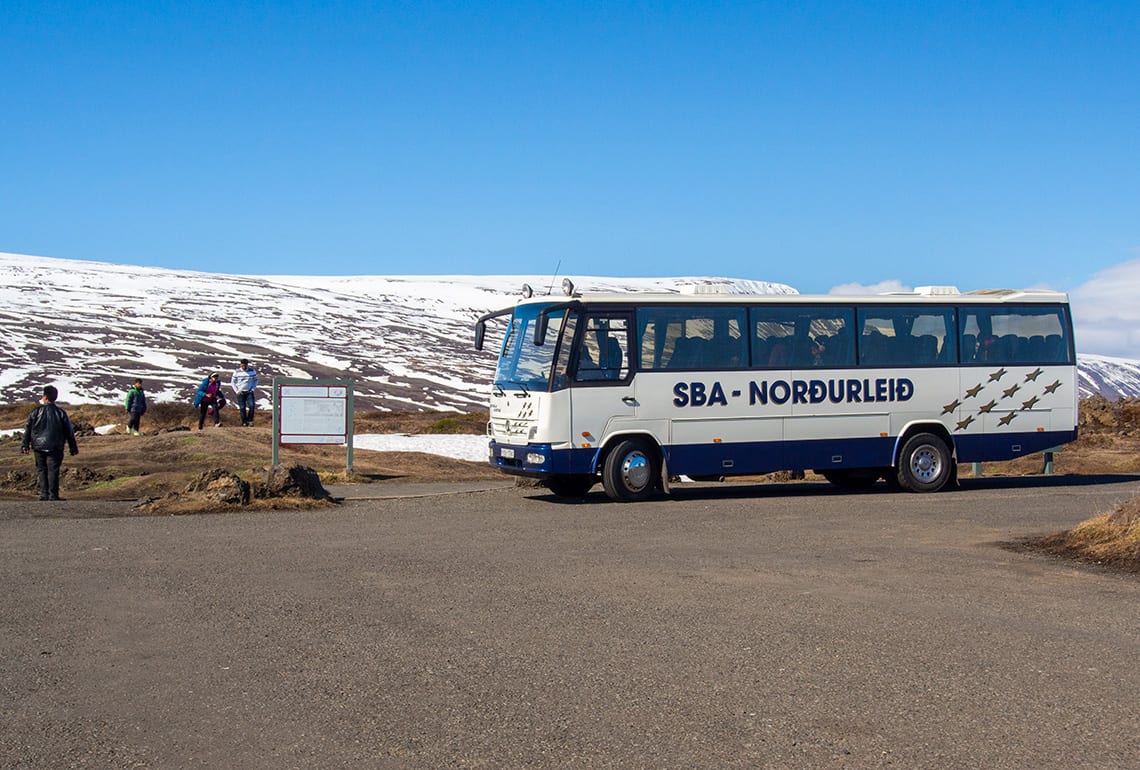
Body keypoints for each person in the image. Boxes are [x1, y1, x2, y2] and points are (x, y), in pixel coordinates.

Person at [20, 385, 79, 501]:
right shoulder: (61, 413)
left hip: (38, 445)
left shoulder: (35, 412)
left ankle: (44, 494)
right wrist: (73, 447)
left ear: (45, 397)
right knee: (53, 469)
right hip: (55, 446)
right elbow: (69, 431)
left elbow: (28, 428)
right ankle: (53, 495)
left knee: (41, 469)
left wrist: (25, 445)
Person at [230, 358, 259, 427]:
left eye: (245, 365)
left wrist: (252, 389)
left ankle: (250, 420)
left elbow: (255, 380)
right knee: (242, 407)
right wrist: (236, 391)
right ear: (240, 365)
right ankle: (244, 422)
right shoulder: (236, 372)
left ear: (247, 365)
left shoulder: (252, 371)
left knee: (252, 406)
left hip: (249, 391)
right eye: (242, 365)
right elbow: (233, 382)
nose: (243, 367)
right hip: (240, 392)